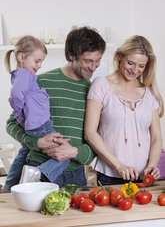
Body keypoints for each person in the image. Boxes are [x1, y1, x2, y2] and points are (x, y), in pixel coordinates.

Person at [3, 26, 106, 191]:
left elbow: (98, 141)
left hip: (76, 174)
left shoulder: (95, 92)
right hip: (38, 168)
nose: (94, 67)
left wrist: (74, 152)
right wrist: (37, 142)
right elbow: (11, 124)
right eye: (88, 61)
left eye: (98, 60)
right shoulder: (40, 82)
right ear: (71, 55)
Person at [84, 35, 164, 186]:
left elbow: (156, 139)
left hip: (144, 177)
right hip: (110, 175)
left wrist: (152, 165)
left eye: (141, 66)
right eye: (131, 63)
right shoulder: (101, 85)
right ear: (120, 57)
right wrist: (118, 165)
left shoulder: (150, 93)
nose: (135, 70)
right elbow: (90, 133)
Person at [1, 35, 70, 193]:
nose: (39, 66)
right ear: (21, 57)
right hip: (41, 126)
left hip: (36, 126)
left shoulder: (23, 76)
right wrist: (19, 113)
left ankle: (9, 185)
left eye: (41, 62)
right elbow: (15, 96)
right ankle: (37, 173)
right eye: (37, 61)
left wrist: (22, 115)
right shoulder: (25, 75)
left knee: (23, 152)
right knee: (66, 153)